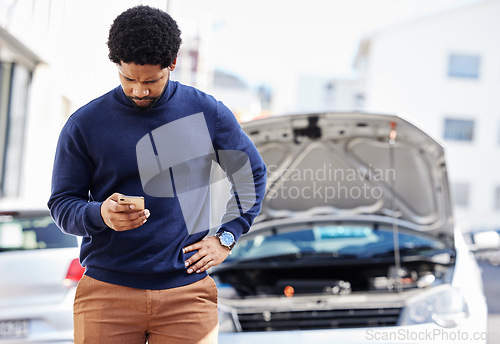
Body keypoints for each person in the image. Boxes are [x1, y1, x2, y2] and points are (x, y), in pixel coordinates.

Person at [48, 5, 267, 344]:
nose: (139, 91)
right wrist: (100, 214)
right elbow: (62, 205)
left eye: (151, 80)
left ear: (172, 64)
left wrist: (227, 237)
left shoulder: (206, 111)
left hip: (187, 295)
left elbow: (251, 173)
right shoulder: (84, 124)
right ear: (117, 65)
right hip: (106, 296)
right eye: (128, 79)